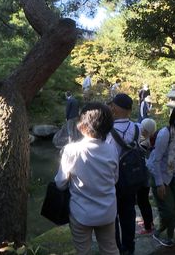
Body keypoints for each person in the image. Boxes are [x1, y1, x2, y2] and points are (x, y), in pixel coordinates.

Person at [54, 102, 120, 255]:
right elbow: (114, 179)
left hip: (81, 212)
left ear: (82, 124)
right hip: (107, 211)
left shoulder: (72, 150)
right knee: (110, 249)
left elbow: (60, 183)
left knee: (82, 251)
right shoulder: (112, 149)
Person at [147, 104, 175, 246]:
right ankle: (167, 235)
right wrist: (159, 183)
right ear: (174, 118)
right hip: (160, 174)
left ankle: (169, 223)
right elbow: (156, 160)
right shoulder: (165, 133)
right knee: (168, 210)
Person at [106, 93, 138, 255]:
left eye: (113, 105)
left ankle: (118, 248)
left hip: (114, 180)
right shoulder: (136, 127)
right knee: (129, 213)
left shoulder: (108, 131)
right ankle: (129, 247)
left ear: (116, 108)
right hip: (132, 178)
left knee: (113, 216)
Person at [136, 118, 157, 236]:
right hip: (147, 176)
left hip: (143, 176)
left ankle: (148, 226)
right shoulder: (151, 140)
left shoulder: (145, 143)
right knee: (144, 200)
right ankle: (149, 221)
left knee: (142, 200)